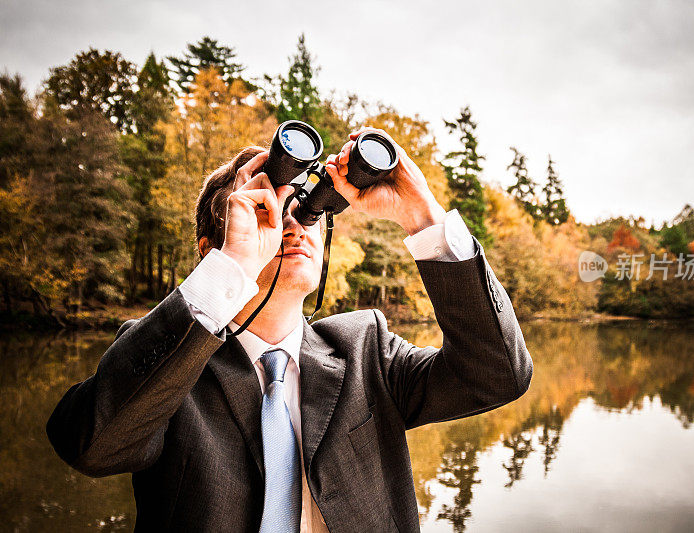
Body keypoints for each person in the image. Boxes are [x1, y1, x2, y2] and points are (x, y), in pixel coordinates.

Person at [47, 127, 533, 532]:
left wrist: (421, 215)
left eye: (309, 212)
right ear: (208, 248)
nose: (294, 227)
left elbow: (497, 374)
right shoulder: (170, 363)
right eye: (268, 213)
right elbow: (91, 446)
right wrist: (232, 266)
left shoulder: (366, 351)